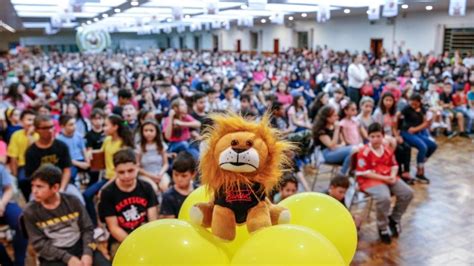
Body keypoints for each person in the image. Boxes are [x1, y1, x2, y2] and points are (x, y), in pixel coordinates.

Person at [23, 164, 110, 266]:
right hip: (54, 255)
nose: (34, 191)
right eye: (32, 186)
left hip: (80, 246)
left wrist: (87, 253)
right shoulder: (30, 211)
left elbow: (88, 229)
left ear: (55, 187)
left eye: (39, 186)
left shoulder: (73, 201)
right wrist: (67, 258)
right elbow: (39, 244)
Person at [356, 123, 414, 244]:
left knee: (407, 193)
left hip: (387, 176)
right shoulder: (364, 152)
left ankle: (394, 219)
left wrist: (392, 176)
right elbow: (364, 173)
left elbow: (394, 165)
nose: (375, 139)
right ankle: (382, 227)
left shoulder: (386, 150)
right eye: (372, 136)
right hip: (370, 180)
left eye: (378, 136)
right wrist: (385, 178)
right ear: (368, 137)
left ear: (383, 136)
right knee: (384, 198)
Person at [98, 148, 158, 250]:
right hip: (120, 239)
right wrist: (135, 245)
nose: (127, 176)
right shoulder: (107, 193)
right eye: (121, 172)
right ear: (115, 171)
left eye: (130, 170)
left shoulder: (147, 187)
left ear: (137, 167)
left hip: (145, 235)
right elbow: (113, 228)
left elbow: (152, 221)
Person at [83, 114, 134, 226]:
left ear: (115, 127)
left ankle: (108, 225)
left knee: (102, 197)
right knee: (87, 195)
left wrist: (105, 188)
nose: (103, 128)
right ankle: (95, 225)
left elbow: (122, 170)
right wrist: (89, 153)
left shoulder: (123, 145)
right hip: (106, 177)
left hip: (118, 179)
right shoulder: (107, 140)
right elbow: (100, 155)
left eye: (106, 125)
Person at [24, 114, 84, 204]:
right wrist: (46, 190)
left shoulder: (61, 146)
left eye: (51, 127)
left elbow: (67, 170)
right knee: (33, 206)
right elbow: (33, 177)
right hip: (42, 187)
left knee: (79, 201)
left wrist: (62, 189)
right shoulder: (31, 152)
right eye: (45, 128)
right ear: (36, 130)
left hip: (63, 184)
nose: (50, 130)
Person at [373, 92, 414, 183]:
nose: (388, 102)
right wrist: (391, 138)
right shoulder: (378, 113)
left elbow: (394, 127)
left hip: (392, 135)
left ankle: (406, 171)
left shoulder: (393, 112)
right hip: (384, 137)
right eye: (386, 100)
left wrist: (397, 136)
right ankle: (398, 172)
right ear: (382, 101)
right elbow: (378, 129)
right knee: (399, 150)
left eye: (390, 100)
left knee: (407, 147)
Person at [400, 93, 437, 183]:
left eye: (415, 103)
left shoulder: (423, 109)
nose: (413, 105)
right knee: (423, 147)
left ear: (419, 102)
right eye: (411, 103)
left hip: (417, 132)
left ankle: (422, 160)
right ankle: (420, 172)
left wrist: (416, 129)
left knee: (433, 145)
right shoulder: (406, 109)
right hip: (406, 132)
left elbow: (426, 123)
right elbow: (397, 117)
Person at [312, 105, 357, 176]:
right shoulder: (321, 130)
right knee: (354, 149)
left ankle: (343, 173)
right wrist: (336, 130)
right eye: (335, 116)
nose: (337, 118)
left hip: (338, 149)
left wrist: (339, 145)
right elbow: (331, 146)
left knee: (355, 151)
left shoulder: (334, 126)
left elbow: (343, 142)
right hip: (326, 154)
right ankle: (343, 174)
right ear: (327, 118)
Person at [0, 164, 28, 266]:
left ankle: (19, 261)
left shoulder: (0, 168)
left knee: (22, 221)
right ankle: (5, 261)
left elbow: (8, 189)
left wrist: (2, 204)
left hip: (4, 203)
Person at [7, 109, 37, 198]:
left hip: (40, 163)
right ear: (21, 122)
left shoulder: (40, 133)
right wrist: (15, 175)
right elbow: (13, 157)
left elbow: (35, 152)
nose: (32, 123)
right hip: (24, 165)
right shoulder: (16, 135)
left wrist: (30, 136)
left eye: (34, 120)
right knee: (22, 180)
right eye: (29, 120)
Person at [159, 152, 196, 218]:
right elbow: (170, 224)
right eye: (176, 174)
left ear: (193, 175)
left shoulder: (197, 191)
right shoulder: (168, 196)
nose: (179, 179)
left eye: (184, 176)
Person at [137, 120, 170, 193]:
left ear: (156, 132)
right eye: (146, 130)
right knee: (153, 189)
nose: (148, 133)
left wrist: (160, 174)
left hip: (159, 173)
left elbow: (166, 164)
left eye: (151, 130)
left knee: (165, 186)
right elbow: (137, 167)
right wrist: (151, 176)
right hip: (146, 174)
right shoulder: (139, 147)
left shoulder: (161, 145)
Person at [57, 114, 90, 185]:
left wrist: (87, 162)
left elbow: (83, 150)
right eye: (71, 125)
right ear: (63, 126)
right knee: (70, 175)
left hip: (81, 160)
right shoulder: (59, 140)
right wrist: (79, 164)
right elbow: (62, 158)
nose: (74, 127)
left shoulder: (79, 136)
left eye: (74, 124)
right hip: (70, 162)